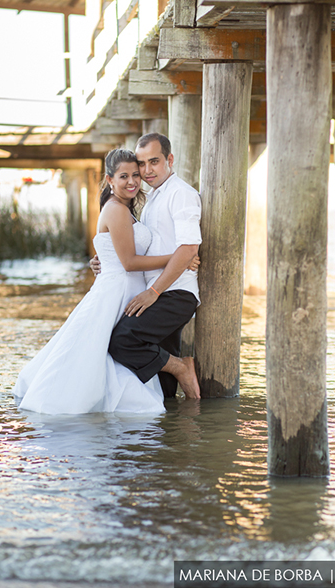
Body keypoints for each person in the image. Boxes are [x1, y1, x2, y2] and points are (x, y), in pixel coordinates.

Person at [13, 148, 199, 414]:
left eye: (136, 174)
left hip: (127, 289)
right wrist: (178, 258)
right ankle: (175, 374)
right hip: (118, 290)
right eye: (124, 176)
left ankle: (169, 386)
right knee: (105, 346)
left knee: (108, 348)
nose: (133, 181)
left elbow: (120, 252)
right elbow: (129, 262)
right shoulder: (116, 209)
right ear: (110, 180)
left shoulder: (128, 207)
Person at [94, 132, 202, 400]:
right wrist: (105, 259)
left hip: (174, 293)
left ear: (170, 159)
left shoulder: (181, 194)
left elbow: (188, 248)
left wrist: (153, 292)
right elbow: (141, 247)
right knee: (163, 391)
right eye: (141, 164)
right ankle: (184, 425)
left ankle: (182, 368)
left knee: (122, 340)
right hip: (156, 291)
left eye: (154, 161)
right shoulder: (151, 198)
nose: (146, 170)